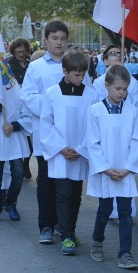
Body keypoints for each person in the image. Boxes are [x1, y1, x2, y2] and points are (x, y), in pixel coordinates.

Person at [20, 20, 91, 244]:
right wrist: (55, 105)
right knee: (48, 183)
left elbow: (87, 94)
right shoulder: (37, 67)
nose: (59, 43)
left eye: (63, 39)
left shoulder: (76, 64)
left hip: (74, 136)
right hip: (47, 135)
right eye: (54, 38)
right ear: (46, 40)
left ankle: (67, 227)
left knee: (71, 185)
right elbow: (28, 97)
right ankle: (46, 226)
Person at [86, 65, 138, 270]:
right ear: (107, 86)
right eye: (118, 88)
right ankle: (97, 241)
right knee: (104, 210)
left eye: (125, 89)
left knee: (125, 212)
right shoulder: (95, 111)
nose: (122, 93)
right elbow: (92, 142)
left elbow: (137, 141)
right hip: (106, 171)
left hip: (125, 171)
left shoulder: (132, 112)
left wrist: (128, 168)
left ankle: (125, 253)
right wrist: (105, 168)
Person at [40, 52, 98, 255]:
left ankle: (71, 231)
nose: (81, 79)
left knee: (75, 196)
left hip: (80, 152)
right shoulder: (52, 93)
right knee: (63, 195)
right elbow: (46, 124)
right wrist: (60, 148)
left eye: (83, 75)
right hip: (59, 153)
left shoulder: (91, 95)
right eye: (76, 75)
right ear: (64, 71)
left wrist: (82, 148)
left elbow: (94, 125)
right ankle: (65, 236)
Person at [0, 60, 30, 223]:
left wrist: (14, 126)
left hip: (14, 140)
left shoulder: (19, 97)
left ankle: (11, 202)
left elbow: (28, 118)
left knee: (18, 173)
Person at [6, 37, 33, 179]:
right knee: (20, 135)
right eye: (18, 52)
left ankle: (26, 163)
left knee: (30, 137)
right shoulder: (10, 63)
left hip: (29, 101)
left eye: (23, 51)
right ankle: (19, 166)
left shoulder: (31, 63)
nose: (21, 55)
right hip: (16, 101)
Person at [93, 45, 138, 116]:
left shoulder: (134, 82)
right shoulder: (98, 82)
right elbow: (97, 108)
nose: (118, 55)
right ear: (106, 61)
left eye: (120, 53)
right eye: (113, 54)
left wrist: (127, 96)